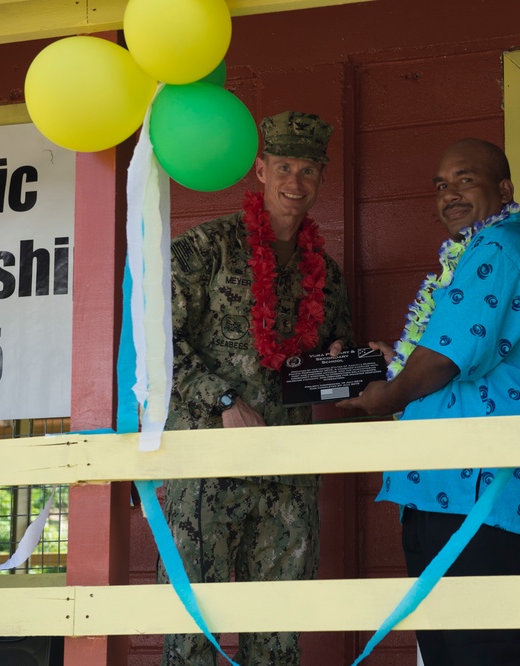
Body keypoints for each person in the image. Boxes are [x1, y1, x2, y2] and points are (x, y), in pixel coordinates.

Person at [338, 138, 520, 666]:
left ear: (503, 189)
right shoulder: (478, 253)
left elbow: (442, 360)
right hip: (445, 491)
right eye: (440, 185)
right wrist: (395, 365)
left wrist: (386, 395)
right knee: (451, 654)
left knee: (487, 655)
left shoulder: (498, 251)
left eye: (465, 180)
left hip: (479, 494)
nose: (449, 194)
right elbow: (445, 357)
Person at [160, 111, 352, 666]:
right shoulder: (206, 248)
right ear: (261, 170)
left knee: (279, 623)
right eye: (285, 166)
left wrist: (345, 364)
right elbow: (154, 343)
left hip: (286, 469)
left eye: (309, 170)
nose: (296, 182)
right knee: (195, 621)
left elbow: (330, 359)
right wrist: (222, 398)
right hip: (207, 467)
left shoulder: (328, 273)